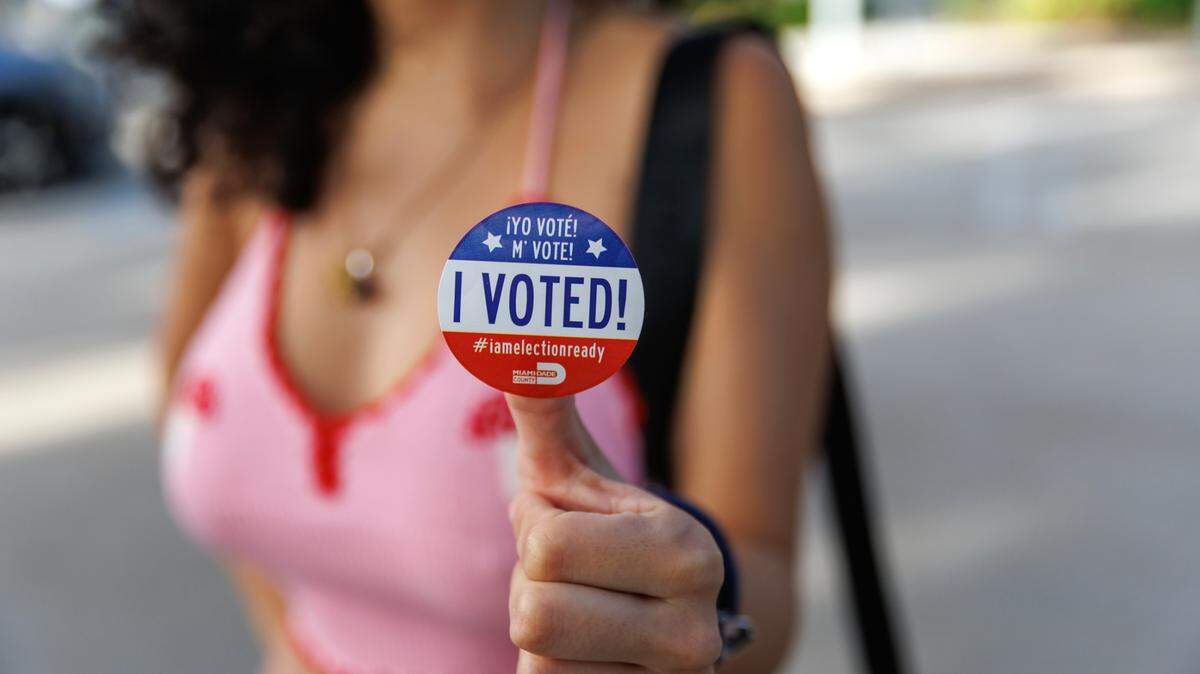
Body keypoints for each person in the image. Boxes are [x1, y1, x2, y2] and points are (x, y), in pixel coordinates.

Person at [102, 0, 830, 671]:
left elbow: (760, 577)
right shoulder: (254, 106)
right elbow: (196, 424)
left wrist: (683, 605)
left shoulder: (716, 98)